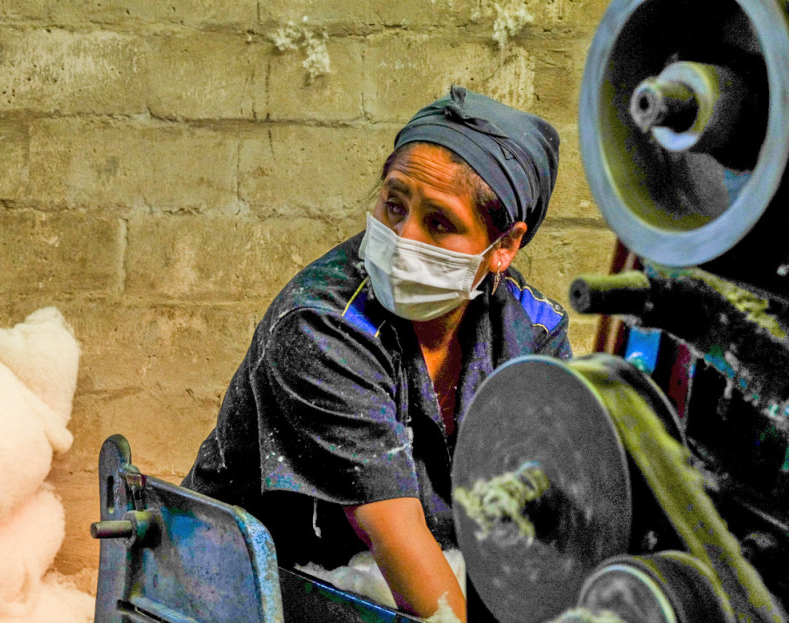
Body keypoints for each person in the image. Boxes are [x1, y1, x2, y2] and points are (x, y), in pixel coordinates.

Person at [183, 85, 572, 621]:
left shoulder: (530, 333)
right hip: (256, 595)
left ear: (503, 246)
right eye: (394, 205)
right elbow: (398, 539)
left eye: (439, 223)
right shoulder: (321, 328)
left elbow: (550, 518)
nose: (403, 237)